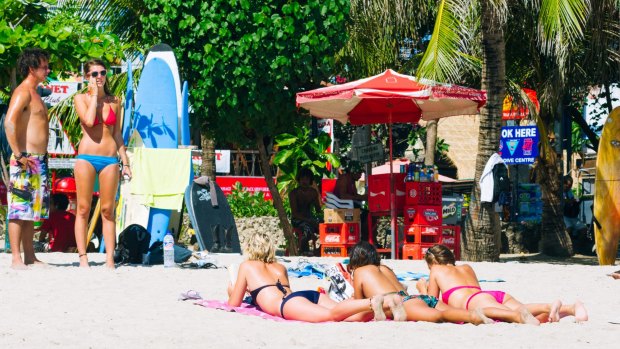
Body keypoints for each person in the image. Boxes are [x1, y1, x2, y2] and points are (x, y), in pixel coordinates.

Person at [227, 232, 391, 322]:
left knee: (332, 316)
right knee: (350, 317)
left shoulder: (247, 266)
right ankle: (386, 304)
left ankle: (371, 302)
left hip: (287, 304)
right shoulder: (280, 267)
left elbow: (234, 303)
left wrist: (231, 289)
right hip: (305, 295)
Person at [417, 244, 588, 323]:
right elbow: (478, 291)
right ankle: (572, 308)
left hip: (474, 301)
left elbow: (432, 303)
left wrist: (422, 288)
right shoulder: (466, 267)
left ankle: (548, 306)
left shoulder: (436, 271)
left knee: (517, 316)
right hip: (490, 295)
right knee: (525, 312)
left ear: (432, 264)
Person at [348, 241, 495, 324]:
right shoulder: (384, 268)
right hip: (417, 298)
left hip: (404, 303)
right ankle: (477, 314)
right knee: (453, 312)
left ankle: (473, 317)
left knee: (439, 316)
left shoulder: (360, 272)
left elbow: (361, 305)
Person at [73, 59, 131, 268]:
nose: (99, 77)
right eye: (94, 74)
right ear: (87, 77)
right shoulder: (81, 98)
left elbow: (117, 134)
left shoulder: (115, 100)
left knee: (108, 209)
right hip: (86, 157)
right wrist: (95, 95)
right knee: (83, 208)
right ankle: (83, 257)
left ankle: (109, 258)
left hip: (109, 159)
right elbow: (88, 121)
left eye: (102, 73)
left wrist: (126, 162)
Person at [3, 48, 51, 269]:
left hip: (38, 160)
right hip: (25, 159)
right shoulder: (23, 92)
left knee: (31, 212)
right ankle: (15, 258)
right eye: (44, 66)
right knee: (19, 209)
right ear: (32, 68)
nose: (48, 70)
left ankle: (30, 256)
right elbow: (9, 122)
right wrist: (19, 154)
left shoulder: (35, 93)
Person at [288, 168, 321, 255]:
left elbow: (318, 209)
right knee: (307, 228)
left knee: (325, 225)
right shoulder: (294, 193)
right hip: (297, 220)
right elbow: (295, 213)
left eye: (307, 179)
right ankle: (303, 250)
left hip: (310, 218)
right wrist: (309, 220)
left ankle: (321, 249)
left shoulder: (313, 192)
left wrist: (316, 194)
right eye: (302, 179)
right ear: (299, 179)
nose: (304, 181)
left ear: (310, 180)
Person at [562, 175, 587, 245]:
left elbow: (575, 198)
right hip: (564, 216)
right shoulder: (560, 192)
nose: (569, 187)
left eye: (570, 186)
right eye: (568, 185)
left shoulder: (570, 191)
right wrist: (571, 201)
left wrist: (578, 200)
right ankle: (566, 245)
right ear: (564, 184)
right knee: (569, 229)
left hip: (573, 216)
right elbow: (566, 201)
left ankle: (578, 245)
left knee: (584, 230)